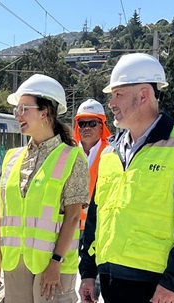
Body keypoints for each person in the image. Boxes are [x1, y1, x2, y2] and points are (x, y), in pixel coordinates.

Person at [78, 53, 174, 303]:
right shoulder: (110, 153)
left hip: (153, 287)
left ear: (143, 95)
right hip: (108, 281)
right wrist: (88, 272)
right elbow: (96, 216)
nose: (112, 103)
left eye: (118, 94)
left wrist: (173, 284)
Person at [0, 74, 89, 303]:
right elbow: (3, 214)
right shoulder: (12, 158)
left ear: (45, 112)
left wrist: (56, 262)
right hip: (16, 261)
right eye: (17, 110)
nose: (18, 115)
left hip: (53, 264)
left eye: (24, 109)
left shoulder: (73, 158)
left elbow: (73, 217)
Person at [75, 99, 111, 302]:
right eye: (82, 123)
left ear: (102, 125)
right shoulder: (69, 152)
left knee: (95, 283)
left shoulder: (113, 152)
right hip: (71, 225)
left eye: (92, 123)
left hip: (98, 227)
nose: (86, 128)